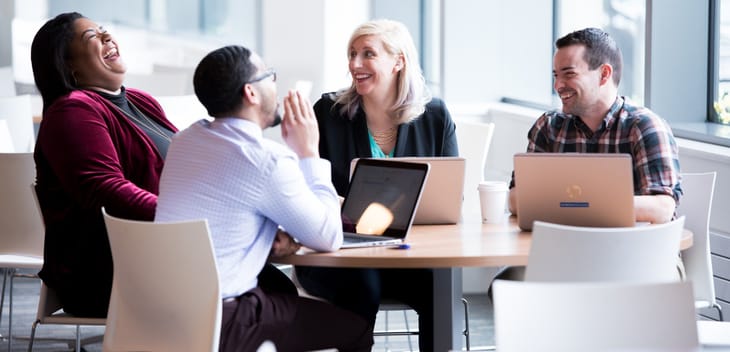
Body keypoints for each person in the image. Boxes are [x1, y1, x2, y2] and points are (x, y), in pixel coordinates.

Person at [154, 45, 373, 352]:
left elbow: (229, 205)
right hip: (224, 322)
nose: (276, 84)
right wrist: (309, 154)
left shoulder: (184, 141)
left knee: (281, 295)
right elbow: (328, 237)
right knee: (356, 327)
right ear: (251, 93)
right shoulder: (266, 160)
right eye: (270, 76)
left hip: (160, 315)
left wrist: (270, 232)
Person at [294, 19, 459, 352]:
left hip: (410, 254)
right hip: (340, 253)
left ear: (398, 61)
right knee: (363, 284)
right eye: (352, 54)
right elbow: (302, 188)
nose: (355, 64)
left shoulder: (435, 115)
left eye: (368, 54)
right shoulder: (327, 113)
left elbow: (451, 196)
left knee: (439, 287)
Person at [496, 27, 682, 284]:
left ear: (604, 74)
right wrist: (585, 207)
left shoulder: (645, 126)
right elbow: (516, 200)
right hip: (564, 255)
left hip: (643, 257)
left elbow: (662, 208)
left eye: (569, 74)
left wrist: (579, 205)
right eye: (555, 75)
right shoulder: (549, 127)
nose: (558, 85)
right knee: (506, 286)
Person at [31, 12, 178, 317]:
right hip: (112, 273)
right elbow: (106, 189)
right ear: (67, 65)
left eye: (104, 31)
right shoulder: (72, 110)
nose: (107, 37)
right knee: (265, 296)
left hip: (168, 253)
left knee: (268, 285)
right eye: (91, 37)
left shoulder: (141, 101)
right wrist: (188, 218)